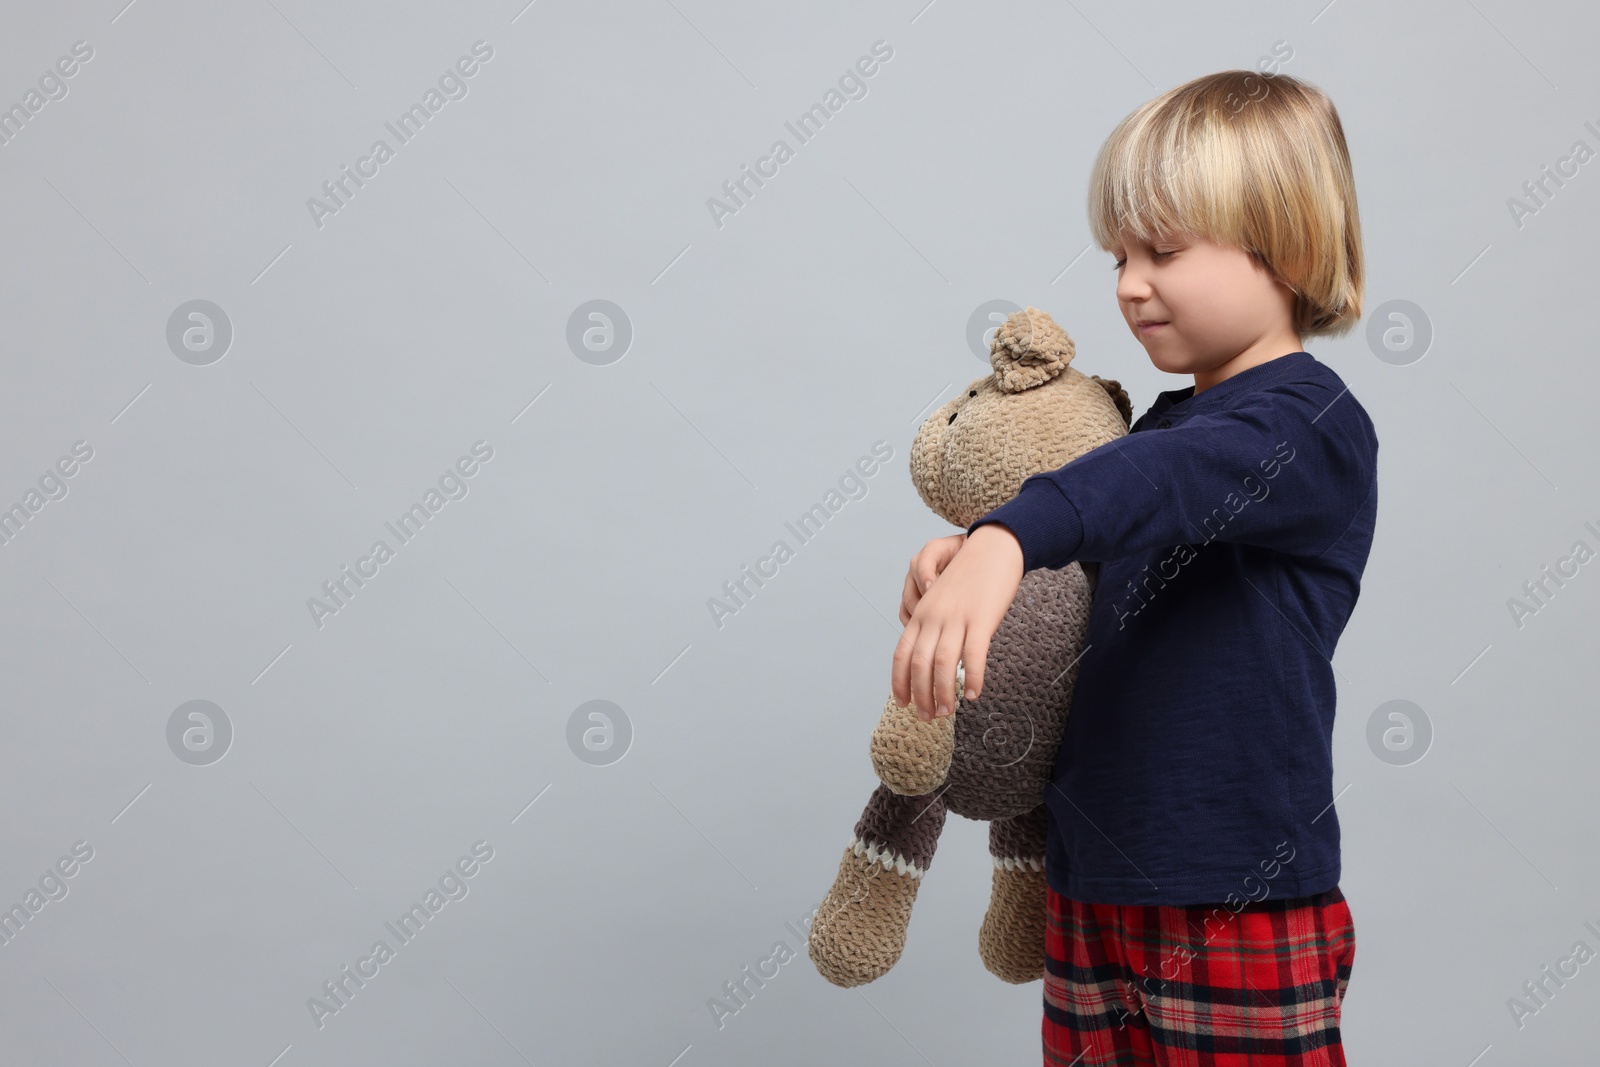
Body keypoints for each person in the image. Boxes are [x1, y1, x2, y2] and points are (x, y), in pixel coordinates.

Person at [892, 70, 1377, 1065]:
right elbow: (1107, 551)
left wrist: (1011, 534)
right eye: (1118, 254)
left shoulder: (1307, 426)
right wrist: (985, 548)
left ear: (1280, 246)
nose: (1126, 283)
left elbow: (1163, 480)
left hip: (1234, 892)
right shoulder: (1159, 427)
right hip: (1093, 883)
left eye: (1161, 249)